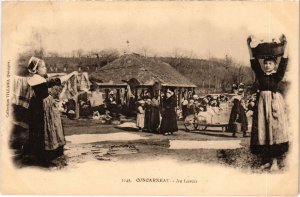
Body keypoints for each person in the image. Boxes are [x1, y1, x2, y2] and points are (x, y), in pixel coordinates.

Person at [247, 35, 289, 170]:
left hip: (274, 105)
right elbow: (254, 62)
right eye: (265, 63)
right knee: (263, 132)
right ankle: (266, 161)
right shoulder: (260, 75)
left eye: (270, 63)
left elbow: (284, 61)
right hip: (262, 106)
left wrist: (286, 45)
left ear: (274, 65)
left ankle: (275, 163)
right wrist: (249, 46)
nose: (267, 65)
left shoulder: (277, 76)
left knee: (274, 132)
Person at [26, 57, 77, 166]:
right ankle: (44, 157)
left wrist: (70, 74)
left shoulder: (38, 78)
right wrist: (71, 74)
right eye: (43, 67)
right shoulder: (37, 79)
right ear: (36, 69)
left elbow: (55, 79)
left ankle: (43, 155)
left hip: (40, 105)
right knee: (43, 129)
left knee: (43, 129)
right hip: (41, 107)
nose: (45, 68)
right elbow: (57, 80)